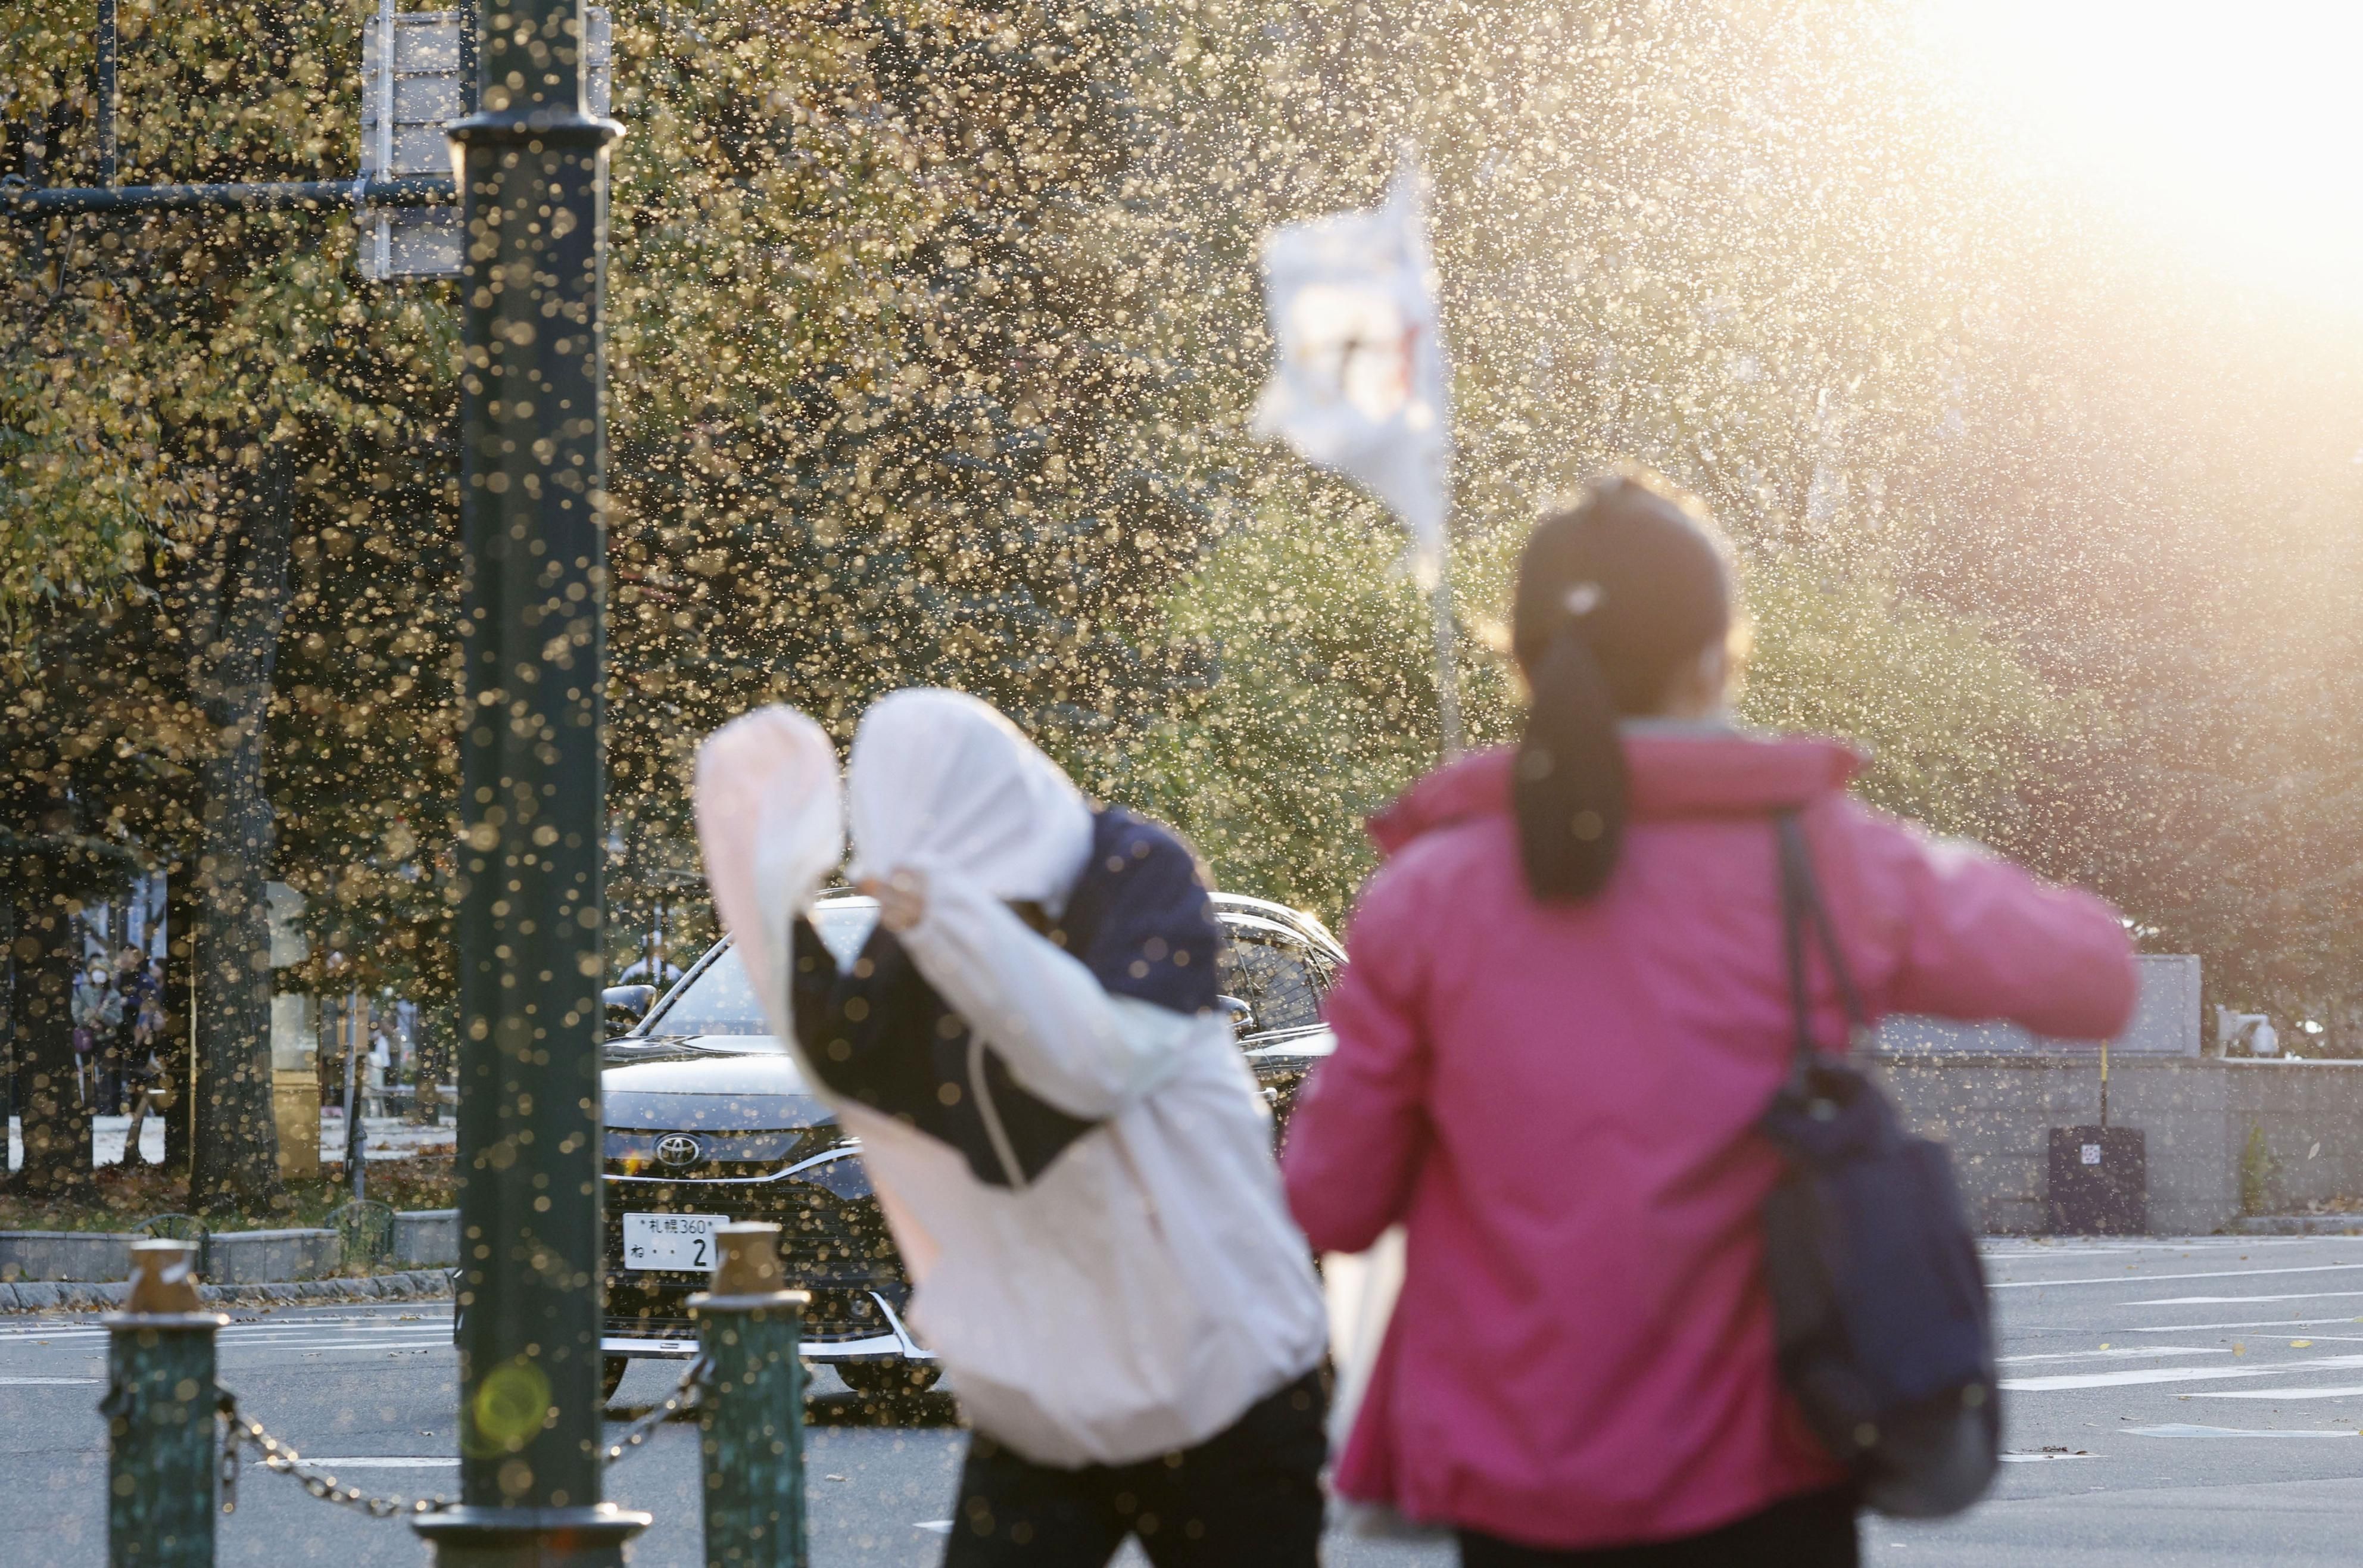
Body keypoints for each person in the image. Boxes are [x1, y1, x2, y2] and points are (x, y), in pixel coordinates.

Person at [1282, 471, 2139, 1567]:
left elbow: (1331, 1199)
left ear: (1526, 661)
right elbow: (2096, 978)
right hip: (1766, 1473)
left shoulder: (1427, 893)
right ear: (1716, 652)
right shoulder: (1818, 853)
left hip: (1513, 1483)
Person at [695, 691, 1329, 1568]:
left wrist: (949, 914)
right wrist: (766, 879)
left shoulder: (1129, 868)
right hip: (1050, 1395)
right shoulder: (923, 928)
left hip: (1226, 1378)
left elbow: (1099, 1058)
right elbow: (844, 1053)